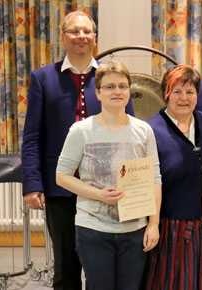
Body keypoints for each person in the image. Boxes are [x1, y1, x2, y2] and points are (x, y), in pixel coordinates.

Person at [21, 11, 134, 290]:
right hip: (60, 190)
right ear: (63, 37)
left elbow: (129, 132)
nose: (81, 36)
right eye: (74, 31)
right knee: (66, 266)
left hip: (107, 189)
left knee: (103, 267)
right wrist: (32, 184)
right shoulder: (42, 78)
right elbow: (33, 136)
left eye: (87, 31)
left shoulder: (112, 77)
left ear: (95, 38)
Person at [55, 60, 161, 290]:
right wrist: (98, 195)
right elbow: (62, 176)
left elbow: (154, 178)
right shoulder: (81, 130)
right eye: (110, 87)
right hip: (93, 229)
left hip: (134, 230)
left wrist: (153, 224)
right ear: (98, 93)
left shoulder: (144, 131)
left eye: (123, 86)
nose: (117, 92)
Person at [144, 65, 202, 289]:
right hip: (172, 225)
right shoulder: (149, 131)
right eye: (177, 92)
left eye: (190, 92)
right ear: (166, 94)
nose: (184, 98)